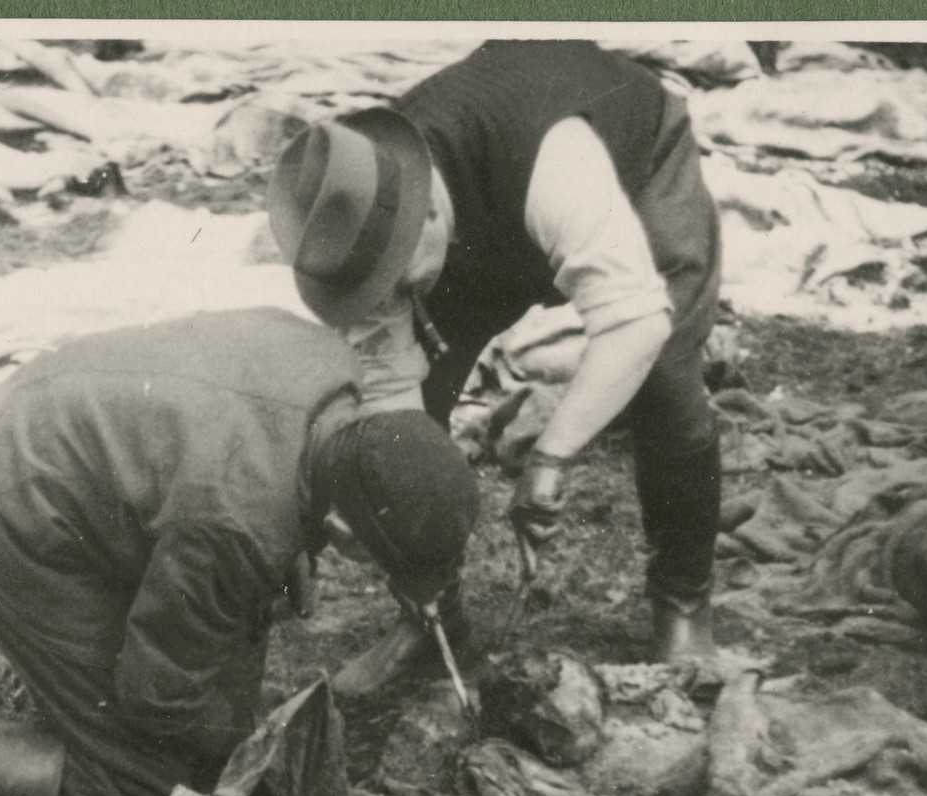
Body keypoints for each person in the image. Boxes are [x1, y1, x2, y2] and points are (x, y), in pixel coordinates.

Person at [0, 308, 480, 796]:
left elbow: (251, 471)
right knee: (137, 783)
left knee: (217, 720)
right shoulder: (234, 524)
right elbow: (153, 697)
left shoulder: (331, 366)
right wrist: (224, 744)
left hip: (61, 430)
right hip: (13, 508)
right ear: (349, 532)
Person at [268, 39, 724, 695]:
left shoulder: (557, 168)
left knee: (665, 377)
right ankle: (432, 624)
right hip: (477, 220)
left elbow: (634, 320)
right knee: (404, 424)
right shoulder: (366, 199)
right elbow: (391, 392)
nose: (389, 305)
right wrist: (369, 490)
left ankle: (683, 603)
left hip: (632, 159)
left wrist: (551, 459)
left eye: (394, 284)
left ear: (426, 216)